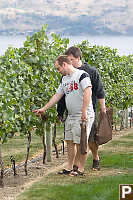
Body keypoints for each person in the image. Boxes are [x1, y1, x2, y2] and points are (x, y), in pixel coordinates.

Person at [34, 55, 94, 175]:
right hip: (71, 115)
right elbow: (57, 96)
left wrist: (83, 111)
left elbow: (88, 91)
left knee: (81, 142)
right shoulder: (64, 79)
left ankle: (80, 169)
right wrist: (44, 109)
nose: (58, 71)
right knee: (70, 141)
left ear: (64, 64)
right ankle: (69, 167)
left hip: (83, 114)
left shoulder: (82, 75)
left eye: (58, 68)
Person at [57, 46, 106, 171]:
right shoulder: (67, 75)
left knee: (90, 140)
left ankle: (95, 158)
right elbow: (63, 95)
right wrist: (60, 112)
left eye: (71, 59)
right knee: (75, 139)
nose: (68, 62)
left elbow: (99, 91)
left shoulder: (90, 72)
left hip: (89, 110)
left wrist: (102, 108)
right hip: (73, 112)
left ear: (78, 58)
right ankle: (75, 165)